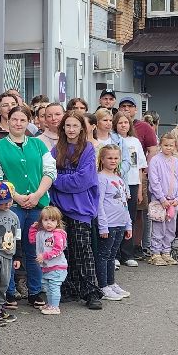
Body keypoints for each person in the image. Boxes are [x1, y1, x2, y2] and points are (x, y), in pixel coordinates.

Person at [0, 107, 53, 307]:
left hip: (37, 204)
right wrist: (16, 196)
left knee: (34, 249)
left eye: (22, 120)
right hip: (12, 206)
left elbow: (50, 172)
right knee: (8, 248)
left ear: (29, 122)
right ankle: (8, 292)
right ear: (8, 121)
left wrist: (36, 195)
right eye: (14, 119)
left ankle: (35, 291)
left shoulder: (38, 145)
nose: (18, 123)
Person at [48, 111, 102, 311]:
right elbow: (48, 174)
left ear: (82, 128)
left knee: (83, 249)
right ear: (63, 128)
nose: (71, 130)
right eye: (68, 126)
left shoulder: (88, 149)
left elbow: (83, 180)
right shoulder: (56, 150)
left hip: (80, 207)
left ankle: (91, 291)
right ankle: (69, 288)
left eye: (75, 126)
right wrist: (58, 181)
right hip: (60, 208)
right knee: (64, 250)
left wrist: (58, 181)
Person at [94, 144, 133, 301]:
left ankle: (111, 283)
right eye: (109, 157)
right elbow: (99, 203)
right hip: (108, 224)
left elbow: (124, 203)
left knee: (112, 255)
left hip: (120, 223)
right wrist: (103, 225)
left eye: (116, 158)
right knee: (104, 255)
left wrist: (128, 224)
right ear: (102, 159)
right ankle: (103, 286)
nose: (113, 160)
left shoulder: (119, 179)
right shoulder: (101, 178)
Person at [112, 111, 148, 265]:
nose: (123, 125)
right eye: (120, 122)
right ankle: (115, 254)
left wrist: (139, 190)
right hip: (115, 183)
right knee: (115, 218)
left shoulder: (135, 141)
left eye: (126, 122)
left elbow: (140, 167)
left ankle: (128, 254)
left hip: (133, 183)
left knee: (130, 219)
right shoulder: (113, 140)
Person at [145, 135, 178, 265]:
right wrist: (161, 198)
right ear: (160, 146)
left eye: (171, 145)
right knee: (158, 225)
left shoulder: (177, 162)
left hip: (173, 201)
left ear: (175, 146)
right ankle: (156, 252)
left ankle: (166, 251)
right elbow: (154, 180)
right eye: (166, 145)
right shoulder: (155, 161)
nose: (168, 148)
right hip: (159, 200)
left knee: (170, 226)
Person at [0, 182, 20, 326]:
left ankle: (0, 307)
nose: (6, 205)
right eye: (3, 202)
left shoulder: (14, 216)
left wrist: (18, 256)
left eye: (9, 201)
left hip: (8, 254)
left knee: (5, 282)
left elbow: (17, 237)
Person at [31, 206, 68, 316]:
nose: (49, 223)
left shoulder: (57, 234)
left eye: (52, 220)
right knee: (47, 286)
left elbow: (58, 250)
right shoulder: (41, 233)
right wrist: (33, 228)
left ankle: (55, 307)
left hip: (57, 267)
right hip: (46, 267)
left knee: (54, 286)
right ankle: (51, 304)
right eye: (46, 220)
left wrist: (45, 256)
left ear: (57, 222)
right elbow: (32, 239)